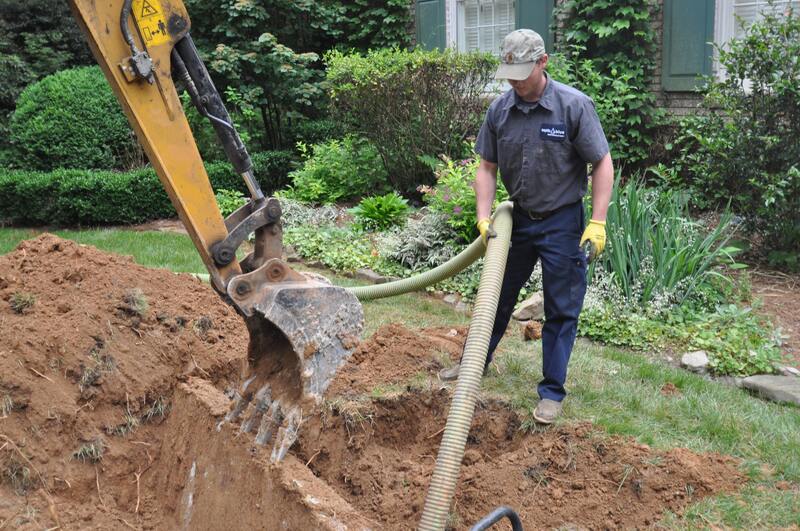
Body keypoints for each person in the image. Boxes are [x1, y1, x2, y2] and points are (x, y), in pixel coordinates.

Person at [439, 29, 614, 425]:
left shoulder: (573, 107)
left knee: (560, 309)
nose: (515, 81)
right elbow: (486, 167)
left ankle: (551, 393)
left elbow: (601, 162)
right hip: (517, 221)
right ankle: (472, 366)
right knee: (495, 298)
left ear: (543, 62)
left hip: (562, 223)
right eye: (510, 73)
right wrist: (484, 215)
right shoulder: (500, 110)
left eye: (522, 72)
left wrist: (598, 221)